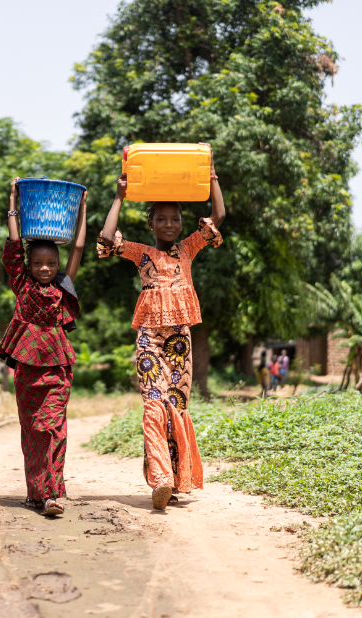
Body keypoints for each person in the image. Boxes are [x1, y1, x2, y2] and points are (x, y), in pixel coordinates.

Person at [97, 144, 225, 510]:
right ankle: (161, 479)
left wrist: (211, 175)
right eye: (162, 219)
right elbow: (107, 239)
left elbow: (219, 213)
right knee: (153, 405)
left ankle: (178, 476)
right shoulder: (141, 253)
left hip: (180, 342)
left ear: (182, 224)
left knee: (176, 404)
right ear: (151, 223)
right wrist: (119, 197)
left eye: (175, 219)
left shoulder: (187, 249)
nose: (169, 224)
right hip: (150, 340)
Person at [0, 177, 87, 517]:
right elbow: (13, 245)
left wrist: (82, 211)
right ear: (28, 266)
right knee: (33, 429)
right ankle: (38, 491)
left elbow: (77, 249)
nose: (44, 268)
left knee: (53, 427)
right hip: (26, 368)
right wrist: (12, 202)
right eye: (37, 264)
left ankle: (50, 493)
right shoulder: (21, 284)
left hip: (58, 367)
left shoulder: (63, 288)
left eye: (50, 263)